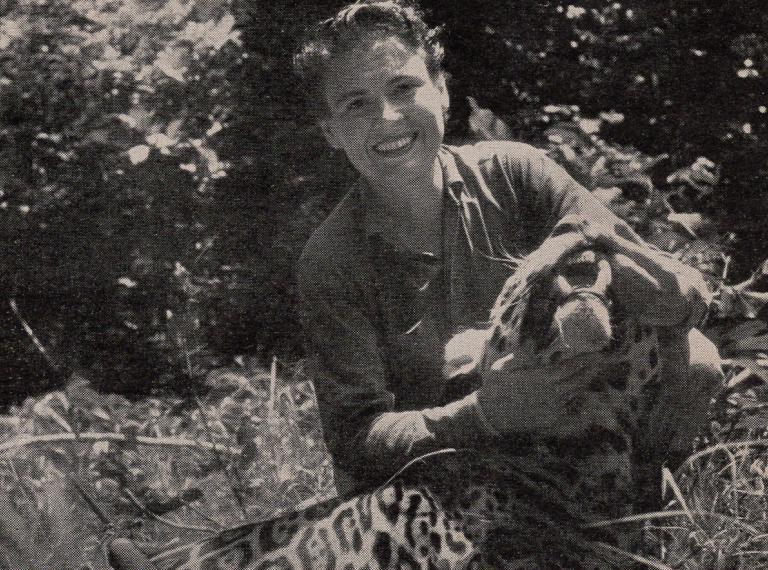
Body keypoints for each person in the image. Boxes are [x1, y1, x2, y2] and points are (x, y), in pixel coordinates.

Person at [293, 0, 716, 494]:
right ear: (331, 132)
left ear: (442, 92)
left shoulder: (516, 174)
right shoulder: (330, 263)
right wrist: (487, 413)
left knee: (697, 359)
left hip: (553, 426)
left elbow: (671, 289)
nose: (387, 119)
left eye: (403, 88)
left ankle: (641, 512)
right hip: (429, 480)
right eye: (356, 104)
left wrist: (660, 290)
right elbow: (355, 440)